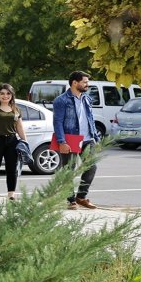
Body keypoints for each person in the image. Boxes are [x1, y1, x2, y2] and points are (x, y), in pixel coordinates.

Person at [52, 71, 100, 210]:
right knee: (69, 170)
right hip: (70, 138)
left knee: (91, 166)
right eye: (84, 82)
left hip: (87, 139)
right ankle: (70, 200)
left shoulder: (86, 98)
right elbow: (58, 122)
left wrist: (95, 138)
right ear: (75, 83)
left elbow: (90, 119)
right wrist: (62, 141)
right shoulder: (61, 100)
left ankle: (81, 197)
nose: (87, 84)